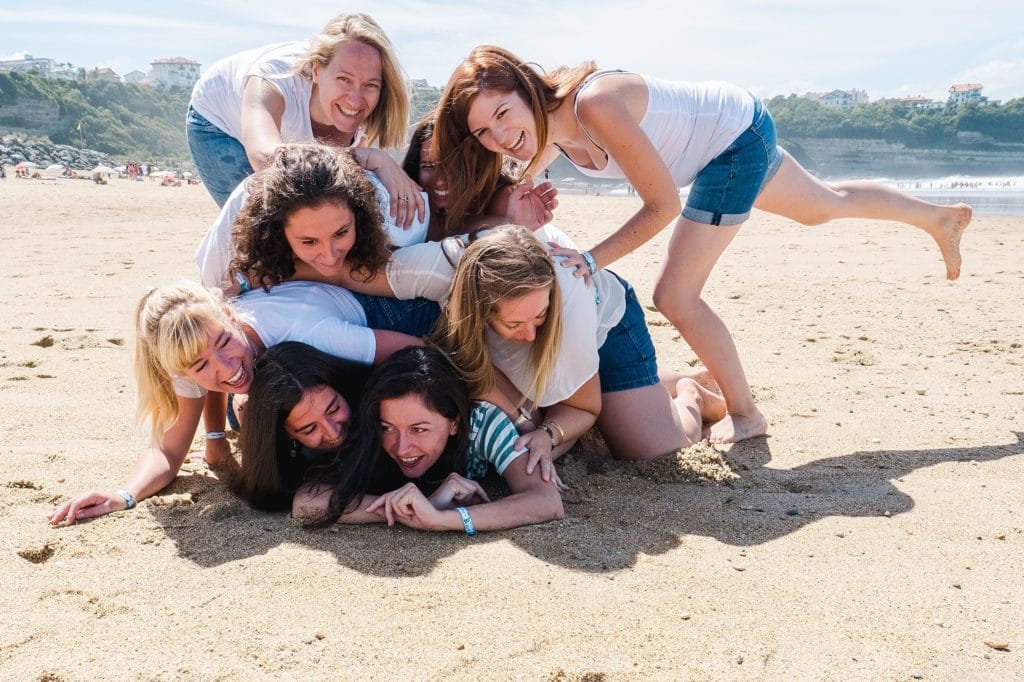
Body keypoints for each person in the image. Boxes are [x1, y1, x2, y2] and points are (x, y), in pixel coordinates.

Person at [433, 45, 973, 444]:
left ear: (526, 89)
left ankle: (746, 416)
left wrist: (590, 259)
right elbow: (506, 198)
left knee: (675, 295)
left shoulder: (593, 105)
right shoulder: (539, 138)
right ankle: (940, 219)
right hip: (735, 124)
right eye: (483, 132)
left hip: (733, 142)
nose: (500, 137)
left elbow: (663, 206)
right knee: (823, 206)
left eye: (502, 115)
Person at [47, 280, 431, 525]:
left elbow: (420, 352)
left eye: (225, 342)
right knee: (246, 407)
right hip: (284, 370)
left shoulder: (308, 333)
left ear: (230, 316)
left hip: (365, 321)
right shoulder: (197, 358)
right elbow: (169, 451)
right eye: (200, 365)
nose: (227, 367)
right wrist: (124, 495)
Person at [293, 345, 564, 532]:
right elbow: (306, 502)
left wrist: (443, 519)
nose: (401, 447)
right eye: (388, 427)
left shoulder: (482, 423)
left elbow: (545, 501)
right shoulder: (371, 428)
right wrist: (413, 508)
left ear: (454, 423)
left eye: (419, 429)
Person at [186, 12, 423, 224]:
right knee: (265, 225)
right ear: (316, 70)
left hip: (286, 144)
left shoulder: (372, 104)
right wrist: (373, 159)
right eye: (344, 79)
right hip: (218, 125)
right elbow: (264, 156)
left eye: (370, 84)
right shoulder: (274, 76)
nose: (355, 99)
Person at [195, 143, 427, 296]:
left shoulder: (399, 222)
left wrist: (377, 158)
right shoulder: (238, 238)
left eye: (341, 233)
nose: (330, 255)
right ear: (276, 232)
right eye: (309, 241)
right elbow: (218, 290)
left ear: (360, 215)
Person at [237, 341, 369, 510]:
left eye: (334, 409)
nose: (334, 433)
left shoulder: (370, 398)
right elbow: (298, 501)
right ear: (286, 433)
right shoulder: (268, 446)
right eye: (310, 429)